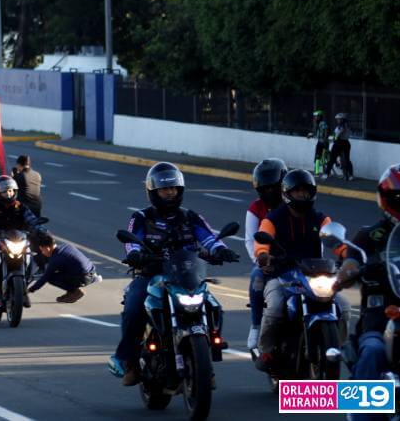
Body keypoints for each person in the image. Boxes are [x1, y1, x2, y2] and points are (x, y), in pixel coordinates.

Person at [108, 162, 238, 385]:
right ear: (153, 192)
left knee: (213, 304)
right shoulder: (141, 217)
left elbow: (209, 238)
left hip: (187, 275)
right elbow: (132, 242)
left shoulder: (191, 217)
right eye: (164, 189)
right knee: (133, 307)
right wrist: (135, 254)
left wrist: (221, 250)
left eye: (173, 188)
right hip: (151, 275)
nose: (170, 193)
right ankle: (129, 361)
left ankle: (209, 355)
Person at [252, 169, 345, 372]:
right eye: (298, 191)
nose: (302, 195)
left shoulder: (320, 219)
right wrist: (263, 254)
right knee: (275, 306)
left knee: (343, 306)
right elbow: (261, 241)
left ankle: (339, 347)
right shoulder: (273, 219)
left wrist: (347, 253)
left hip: (314, 275)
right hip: (282, 275)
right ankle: (266, 350)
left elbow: (336, 241)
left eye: (306, 191)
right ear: (287, 194)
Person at [333, 164, 400, 408]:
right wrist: (352, 271)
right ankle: (360, 410)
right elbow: (350, 263)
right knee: (373, 351)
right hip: (380, 317)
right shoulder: (370, 235)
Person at [244, 158, 288, 349]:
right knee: (256, 277)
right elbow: (250, 239)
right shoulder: (256, 208)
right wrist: (260, 261)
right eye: (265, 188)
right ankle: (255, 326)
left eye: (274, 187)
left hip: (296, 260)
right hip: (268, 259)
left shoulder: (294, 204)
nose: (270, 191)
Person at [27, 232, 101, 303]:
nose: (43, 252)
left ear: (47, 248)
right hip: (91, 272)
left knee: (51, 278)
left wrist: (30, 290)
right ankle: (72, 292)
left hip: (84, 278)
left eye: (42, 250)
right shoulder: (66, 246)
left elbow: (45, 277)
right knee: (60, 271)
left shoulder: (56, 259)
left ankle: (74, 291)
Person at [326, 112, 353, 180]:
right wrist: (333, 138)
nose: (337, 120)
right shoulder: (340, 126)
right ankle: (328, 173)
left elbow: (341, 132)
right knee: (334, 158)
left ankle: (349, 175)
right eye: (337, 119)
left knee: (344, 159)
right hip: (341, 143)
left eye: (339, 119)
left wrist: (336, 137)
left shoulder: (344, 126)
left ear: (342, 119)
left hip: (341, 143)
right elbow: (336, 134)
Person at [308, 110, 330, 177]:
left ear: (320, 117)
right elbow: (318, 133)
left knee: (322, 158)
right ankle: (317, 172)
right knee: (318, 157)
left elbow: (326, 131)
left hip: (323, 143)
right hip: (320, 142)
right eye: (315, 116)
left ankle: (323, 173)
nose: (315, 118)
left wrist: (325, 139)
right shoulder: (319, 124)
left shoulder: (322, 123)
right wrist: (311, 135)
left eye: (317, 116)